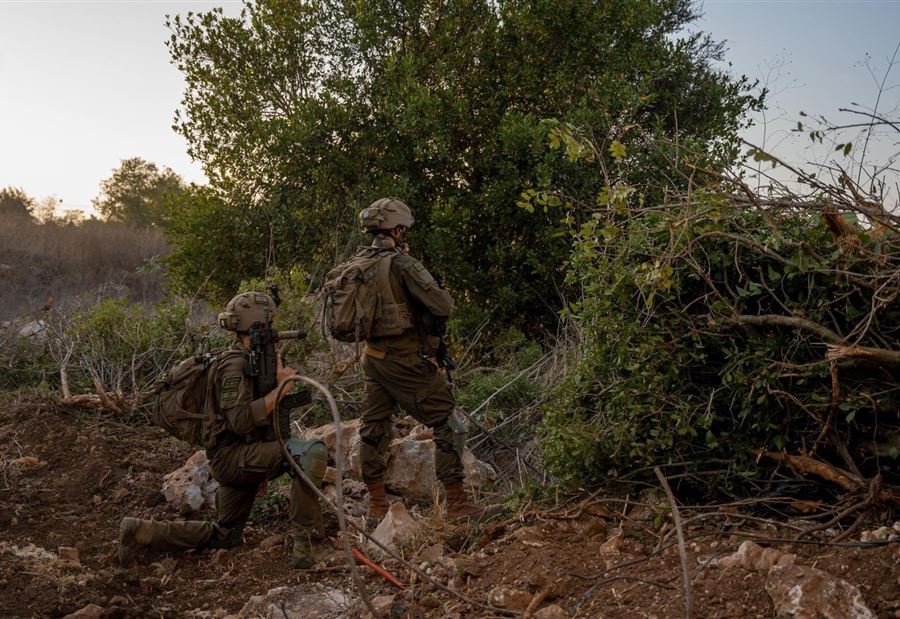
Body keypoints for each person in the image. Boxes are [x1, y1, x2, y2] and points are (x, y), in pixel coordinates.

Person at [118, 292, 328, 568]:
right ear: (257, 326)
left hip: (240, 456)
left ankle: (142, 532)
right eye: (269, 324)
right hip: (231, 459)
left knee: (225, 535)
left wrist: (263, 462)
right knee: (311, 452)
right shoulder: (234, 365)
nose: (274, 330)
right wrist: (280, 391)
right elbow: (240, 420)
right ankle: (308, 549)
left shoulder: (248, 359)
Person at [354, 197, 500, 523]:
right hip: (404, 360)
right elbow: (442, 305)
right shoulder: (403, 264)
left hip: (373, 358)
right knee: (449, 423)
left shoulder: (361, 264)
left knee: (374, 429)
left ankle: (377, 505)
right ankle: (459, 506)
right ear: (397, 228)